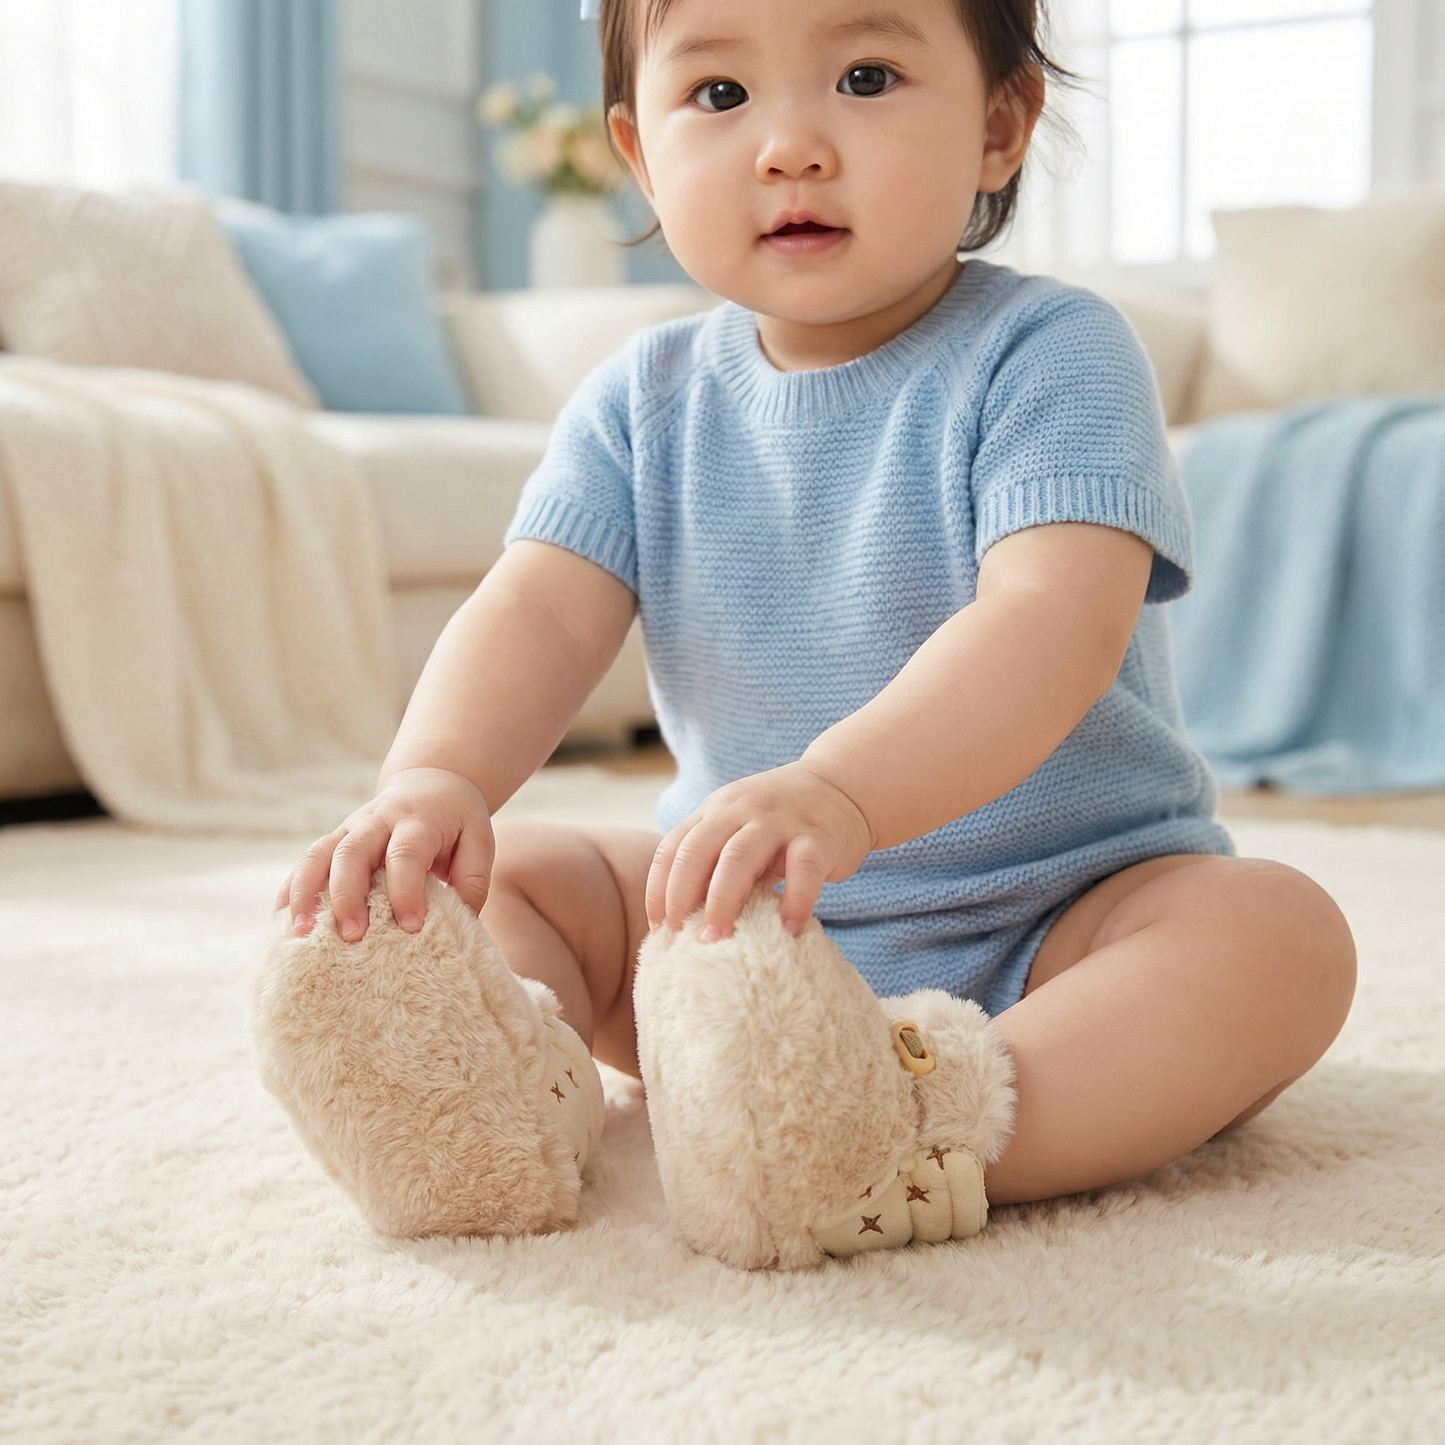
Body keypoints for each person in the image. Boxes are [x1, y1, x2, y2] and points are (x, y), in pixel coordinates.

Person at [277, 0, 1355, 1220]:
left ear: (998, 129)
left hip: (1054, 919)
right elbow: (536, 607)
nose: (788, 145)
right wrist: (436, 779)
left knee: (1274, 935)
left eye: (865, 75)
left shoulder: (1051, 350)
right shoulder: (641, 399)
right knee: (519, 875)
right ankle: (514, 1083)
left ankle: (914, 1123)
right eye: (721, 97)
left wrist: (838, 790)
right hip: (734, 936)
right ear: (640, 153)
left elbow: (1051, 621)